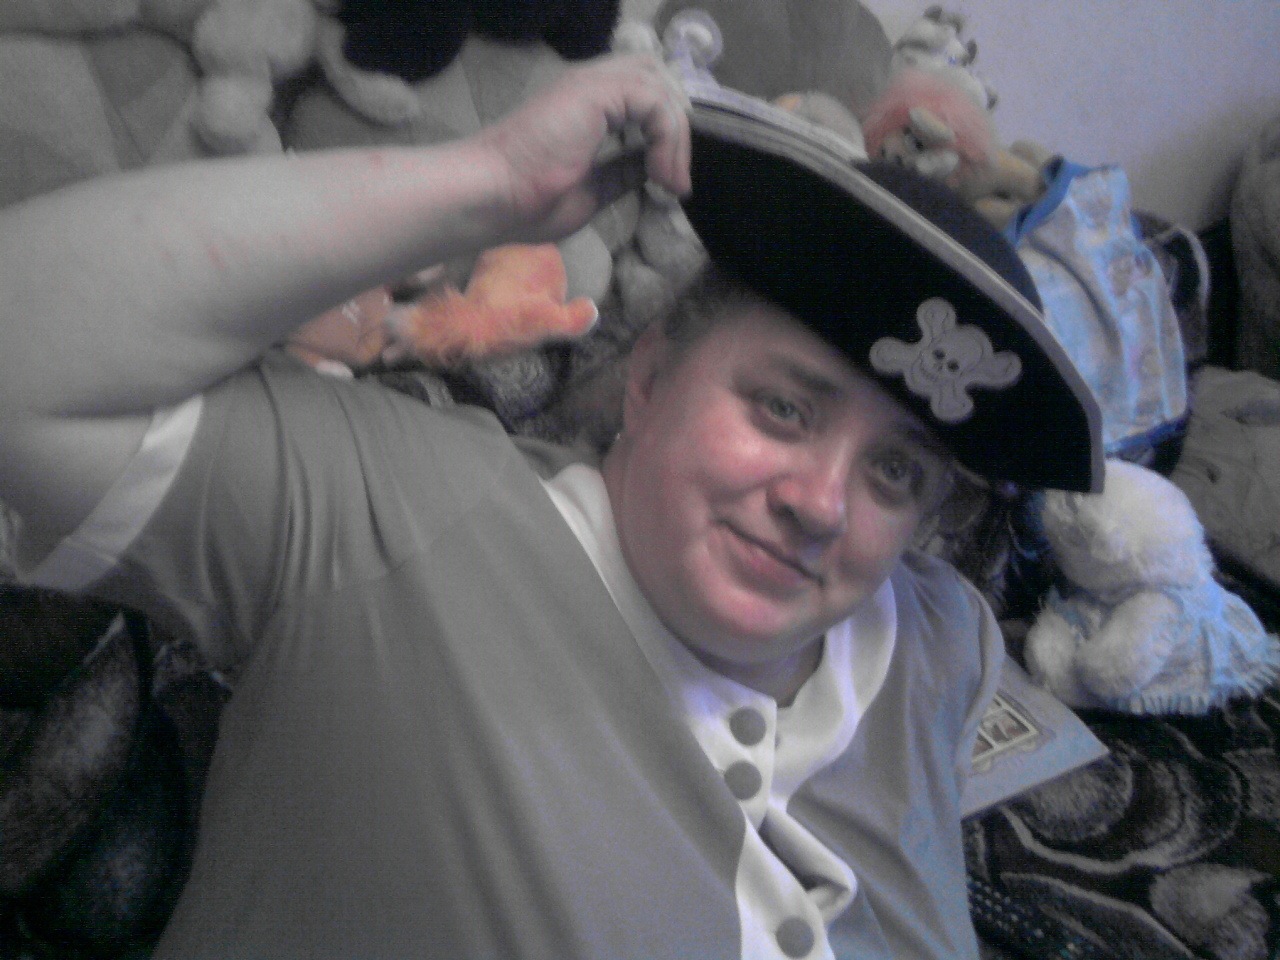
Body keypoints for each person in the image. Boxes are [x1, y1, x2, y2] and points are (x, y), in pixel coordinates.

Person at [0, 53, 1101, 960]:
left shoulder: (940, 641)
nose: (821, 504)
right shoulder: (389, 517)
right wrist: (481, 185)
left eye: (895, 472)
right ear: (648, 376)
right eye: (781, 408)